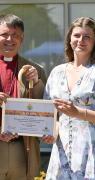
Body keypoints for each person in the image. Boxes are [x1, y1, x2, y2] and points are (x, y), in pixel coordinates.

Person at [42, 17, 95, 180]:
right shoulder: (57, 72)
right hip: (63, 155)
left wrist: (77, 112)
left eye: (87, 37)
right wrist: (51, 131)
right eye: (77, 35)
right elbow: (51, 116)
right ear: (69, 39)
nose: (81, 40)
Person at [0, 14, 46, 180]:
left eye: (15, 35)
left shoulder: (36, 70)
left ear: (22, 38)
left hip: (22, 148)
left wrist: (36, 82)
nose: (10, 39)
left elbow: (45, 109)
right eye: (4, 34)